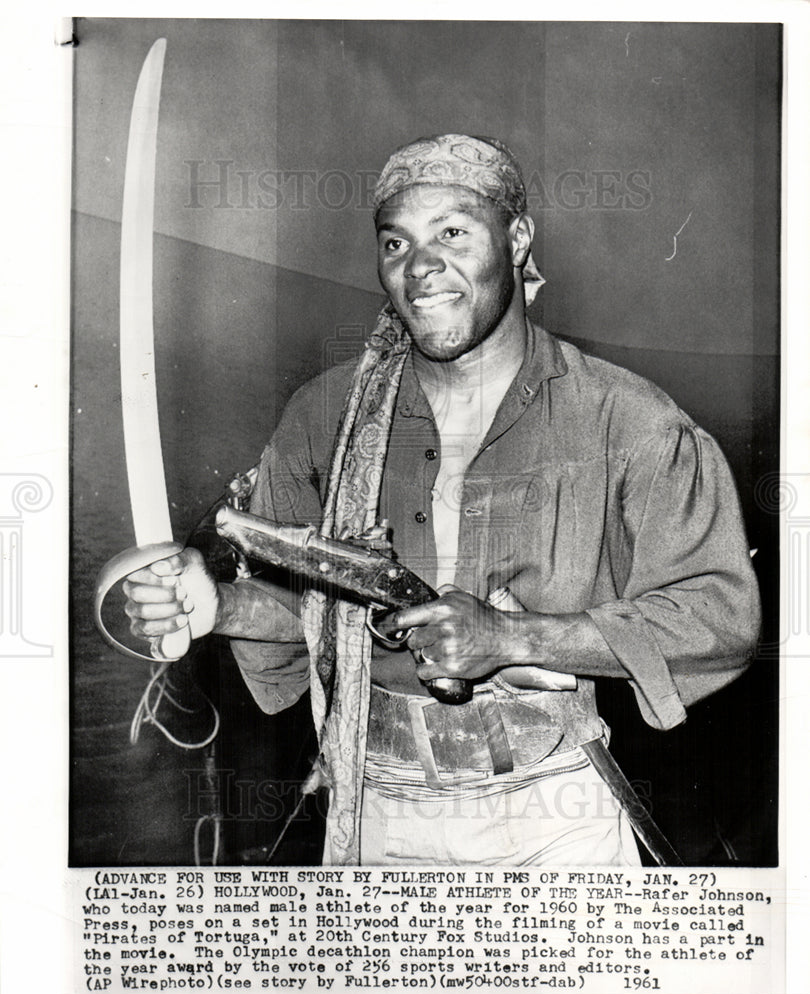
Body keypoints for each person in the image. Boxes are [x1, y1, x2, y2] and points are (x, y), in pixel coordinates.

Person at [123, 134, 760, 866]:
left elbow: (720, 618)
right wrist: (222, 608)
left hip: (553, 818)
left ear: (517, 239)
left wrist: (515, 638)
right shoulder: (327, 416)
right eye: (396, 243)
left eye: (453, 232)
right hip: (373, 808)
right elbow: (326, 619)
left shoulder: (628, 420)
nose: (421, 267)